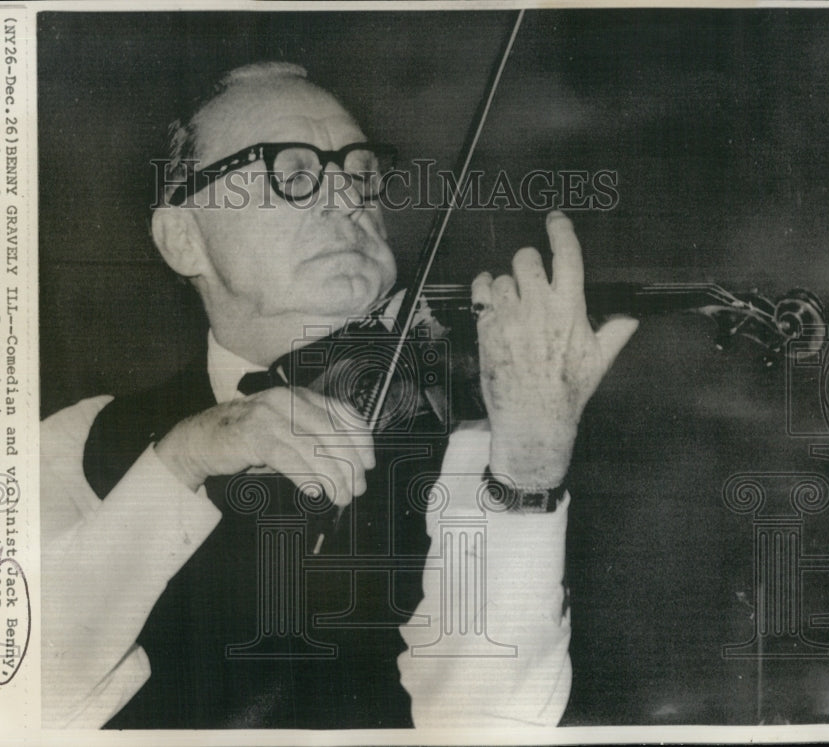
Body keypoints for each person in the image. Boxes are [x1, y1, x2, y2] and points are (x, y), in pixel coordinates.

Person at [40, 62, 638, 730]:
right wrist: (188, 456)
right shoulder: (83, 441)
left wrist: (528, 470)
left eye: (360, 174)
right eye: (293, 174)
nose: (346, 199)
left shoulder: (470, 442)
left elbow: (490, 725)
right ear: (184, 239)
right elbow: (2, 691)